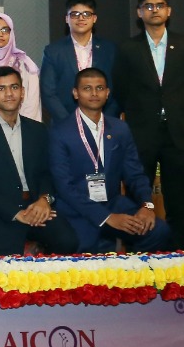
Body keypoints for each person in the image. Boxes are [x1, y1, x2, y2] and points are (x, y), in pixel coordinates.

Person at [112, 0, 184, 250]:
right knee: (139, 204)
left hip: (178, 135)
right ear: (139, 12)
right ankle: (137, 258)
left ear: (169, 11)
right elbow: (120, 91)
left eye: (160, 5)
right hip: (141, 136)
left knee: (178, 205)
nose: (154, 10)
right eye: (148, 6)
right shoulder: (128, 48)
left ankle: (179, 259)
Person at [48, 67, 172, 253]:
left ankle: (134, 268)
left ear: (107, 93)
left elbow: (135, 174)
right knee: (85, 254)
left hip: (112, 203)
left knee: (158, 231)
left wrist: (147, 205)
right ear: (75, 93)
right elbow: (64, 188)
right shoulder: (60, 132)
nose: (94, 93)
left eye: (99, 88)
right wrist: (107, 217)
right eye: (87, 88)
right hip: (77, 210)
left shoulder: (120, 129)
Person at [0, 66, 79, 256]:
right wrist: (14, 213)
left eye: (14, 87)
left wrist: (45, 199)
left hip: (35, 206)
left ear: (22, 92)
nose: (9, 94)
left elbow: (47, 173)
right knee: (7, 266)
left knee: (67, 241)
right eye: (1, 89)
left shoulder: (38, 130)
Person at [40, 0, 119, 122]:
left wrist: (105, 120)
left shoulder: (109, 49)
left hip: (104, 122)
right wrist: (70, 122)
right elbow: (48, 93)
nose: (81, 18)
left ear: (94, 18)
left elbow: (117, 90)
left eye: (86, 14)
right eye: (75, 14)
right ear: (66, 19)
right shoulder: (53, 51)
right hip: (65, 123)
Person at [0, 11, 42, 122]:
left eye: (5, 30)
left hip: (19, 124)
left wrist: (24, 127)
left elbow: (32, 103)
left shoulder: (23, 64)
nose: (0, 34)